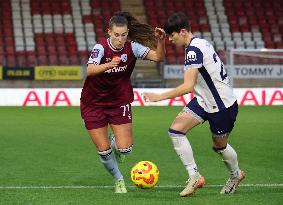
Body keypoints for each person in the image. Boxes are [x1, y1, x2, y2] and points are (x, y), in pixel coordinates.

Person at [143, 12, 245, 197]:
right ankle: (194, 176)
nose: (172, 40)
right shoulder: (199, 42)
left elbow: (188, 86)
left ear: (183, 32)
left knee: (219, 146)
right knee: (175, 131)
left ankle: (235, 175)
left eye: (172, 36)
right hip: (204, 100)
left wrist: (159, 97)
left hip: (222, 106)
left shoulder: (193, 51)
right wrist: (162, 40)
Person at [80, 11, 165, 194]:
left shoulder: (133, 48)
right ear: (109, 32)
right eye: (116, 35)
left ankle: (115, 143)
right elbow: (90, 70)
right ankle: (119, 179)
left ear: (127, 33)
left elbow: (158, 57)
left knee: (124, 150)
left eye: (124, 35)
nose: (120, 39)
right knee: (103, 151)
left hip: (119, 102)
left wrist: (161, 41)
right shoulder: (100, 48)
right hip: (93, 103)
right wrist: (108, 65)